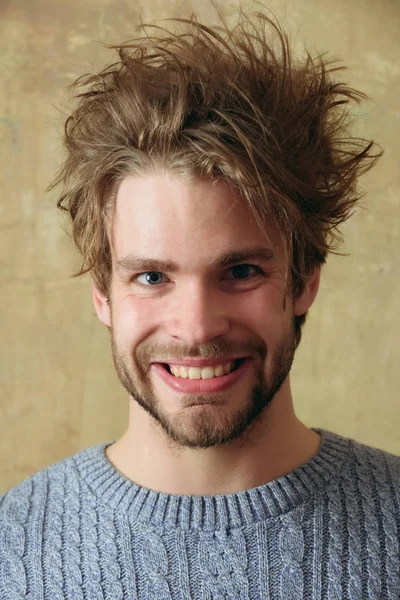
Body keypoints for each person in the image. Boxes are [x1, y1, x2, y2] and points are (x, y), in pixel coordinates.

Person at [0, 12, 399, 600]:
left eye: (240, 271)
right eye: (152, 275)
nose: (196, 327)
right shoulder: (12, 550)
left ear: (306, 278)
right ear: (102, 292)